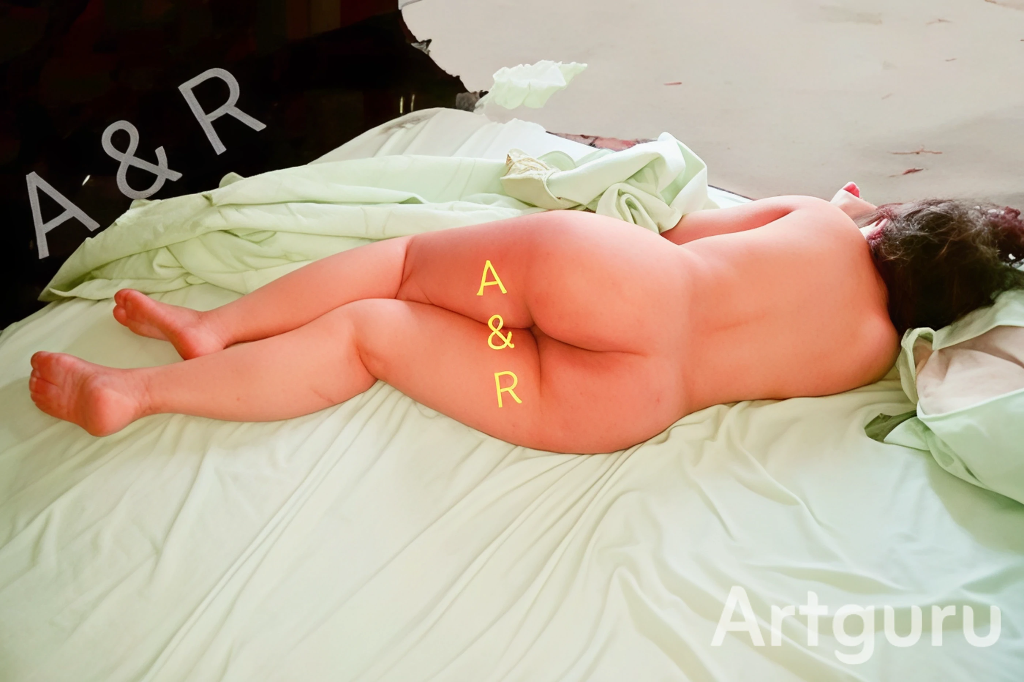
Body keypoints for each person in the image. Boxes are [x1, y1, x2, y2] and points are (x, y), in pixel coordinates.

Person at [28, 182, 1024, 454]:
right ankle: (138, 395)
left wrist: (836, 207)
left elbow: (683, 231)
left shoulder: (820, 220)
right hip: (614, 394)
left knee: (407, 269)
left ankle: (215, 329)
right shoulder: (869, 355)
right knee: (373, 337)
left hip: (612, 287)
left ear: (892, 223)